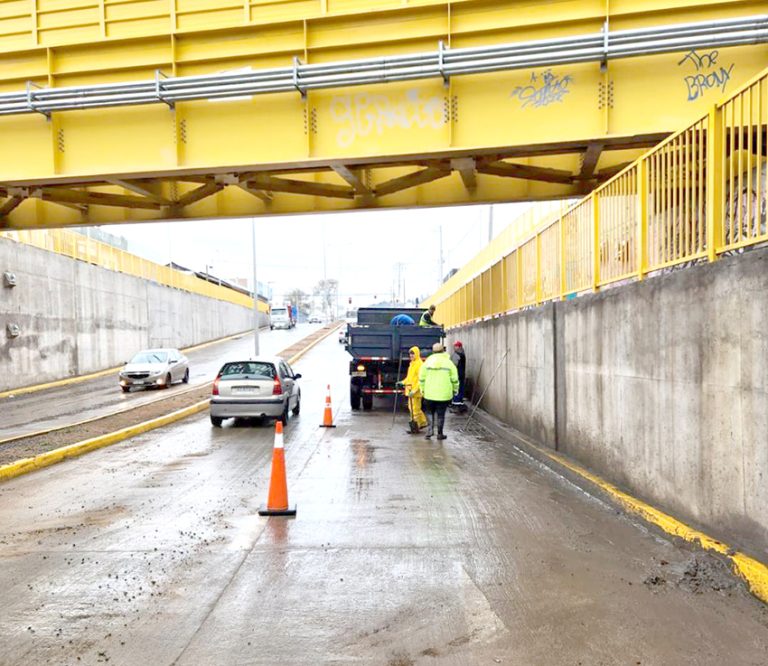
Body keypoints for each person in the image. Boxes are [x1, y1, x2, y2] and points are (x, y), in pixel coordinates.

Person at [419, 342, 459, 440]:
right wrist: (455, 390)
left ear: (433, 352)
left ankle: (430, 430)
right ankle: (440, 434)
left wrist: (422, 390)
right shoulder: (449, 363)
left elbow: (421, 378)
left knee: (429, 411)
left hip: (429, 394)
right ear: (443, 351)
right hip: (444, 395)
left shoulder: (427, 362)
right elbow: (455, 379)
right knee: (441, 414)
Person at [401, 346, 428, 434]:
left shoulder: (419, 364)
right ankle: (423, 422)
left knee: (415, 410)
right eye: (410, 354)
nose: (411, 356)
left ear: (417, 354)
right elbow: (410, 378)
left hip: (415, 392)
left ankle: (415, 427)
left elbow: (421, 380)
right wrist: (403, 382)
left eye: (413, 354)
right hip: (410, 391)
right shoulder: (412, 364)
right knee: (412, 408)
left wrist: (415, 390)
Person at [451, 341, 466, 406]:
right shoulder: (462, 353)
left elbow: (453, 366)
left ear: (459, 346)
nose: (454, 347)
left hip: (457, 374)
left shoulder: (456, 355)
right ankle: (460, 401)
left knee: (457, 388)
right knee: (461, 388)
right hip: (462, 374)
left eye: (455, 346)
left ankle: (456, 402)